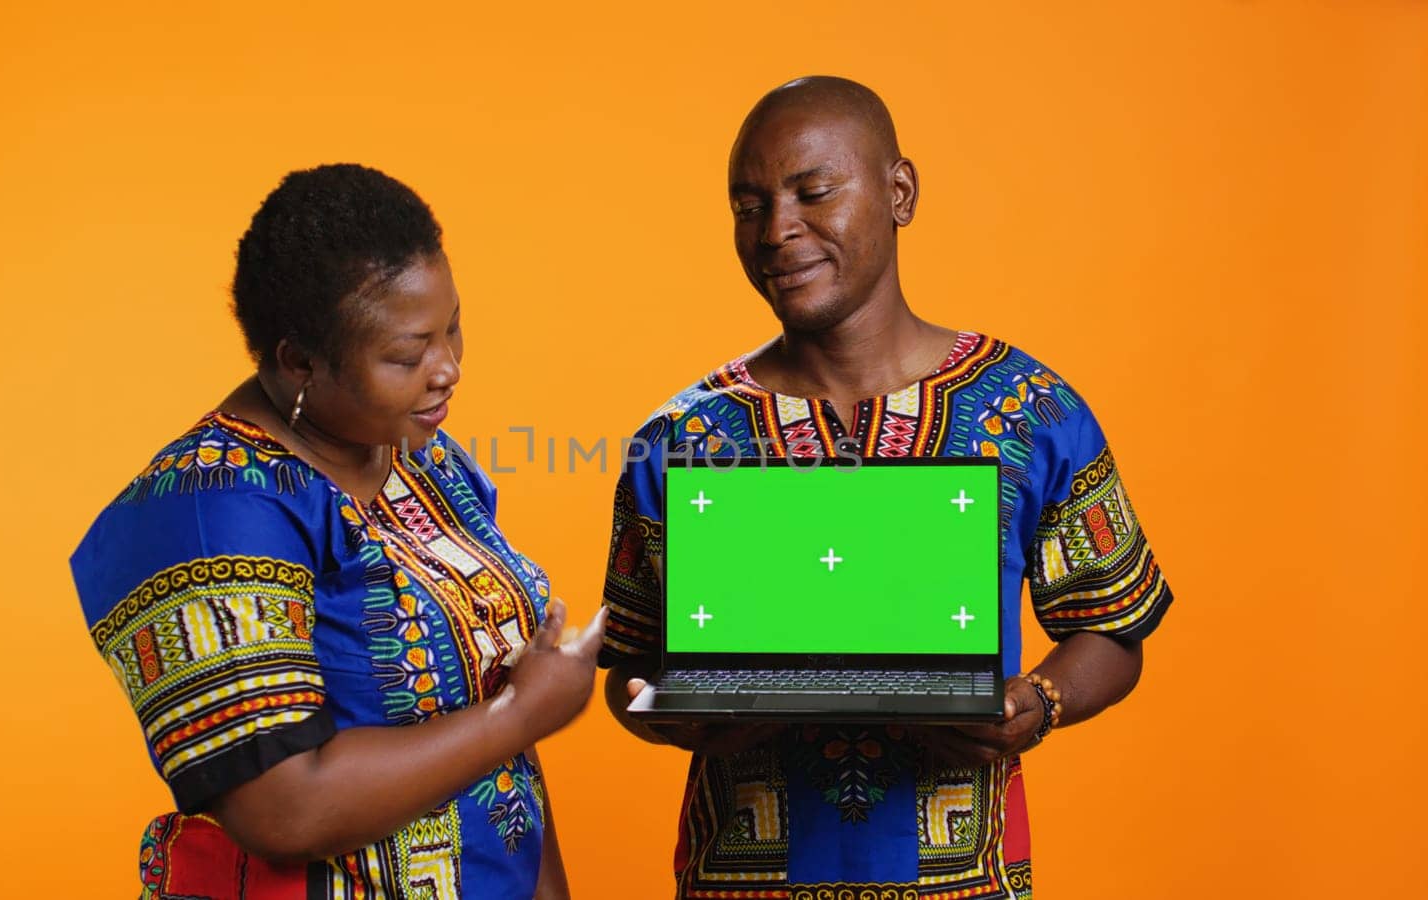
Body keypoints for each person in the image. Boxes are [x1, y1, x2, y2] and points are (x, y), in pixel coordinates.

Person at [599, 76, 1173, 898]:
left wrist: (1039, 701)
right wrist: (663, 710)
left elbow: (1114, 632)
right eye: (748, 204)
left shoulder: (1028, 409)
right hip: (743, 879)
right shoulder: (683, 437)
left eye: (813, 191)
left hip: (963, 880)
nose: (776, 230)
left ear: (899, 192)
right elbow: (627, 665)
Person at [71, 164, 603, 899]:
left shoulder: (424, 461)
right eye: (407, 354)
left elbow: (497, 733)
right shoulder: (207, 511)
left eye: (452, 327)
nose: (446, 368)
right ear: (298, 362)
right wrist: (520, 714)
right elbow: (282, 808)